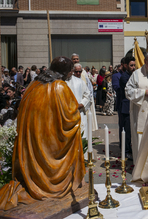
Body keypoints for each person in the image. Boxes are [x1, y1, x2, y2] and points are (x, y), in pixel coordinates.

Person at [0, 57, 85, 210]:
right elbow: (70, 117)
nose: (71, 74)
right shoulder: (59, 86)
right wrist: (77, 108)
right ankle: (52, 184)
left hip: (32, 140)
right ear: (65, 72)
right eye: (70, 71)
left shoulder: (34, 84)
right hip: (50, 141)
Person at [125, 52, 148, 163]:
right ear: (145, 61)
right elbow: (128, 91)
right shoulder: (136, 74)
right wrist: (143, 92)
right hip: (140, 112)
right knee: (140, 138)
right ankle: (140, 165)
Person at [71, 54, 98, 131]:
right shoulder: (69, 75)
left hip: (83, 103)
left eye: (77, 59)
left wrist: (84, 102)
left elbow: (88, 88)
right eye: (74, 59)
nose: (76, 60)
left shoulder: (84, 73)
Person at [66, 63, 92, 137]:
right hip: (65, 114)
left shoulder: (80, 82)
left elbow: (87, 95)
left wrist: (81, 104)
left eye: (79, 71)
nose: (77, 73)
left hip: (79, 112)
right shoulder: (60, 82)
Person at [119, 57, 136, 160]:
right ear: (126, 66)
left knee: (130, 130)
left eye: (134, 65)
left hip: (132, 106)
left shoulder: (132, 75)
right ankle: (125, 151)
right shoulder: (124, 77)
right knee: (125, 130)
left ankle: (129, 149)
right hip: (125, 107)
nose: (133, 67)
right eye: (131, 65)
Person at [112, 58, 125, 149]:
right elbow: (117, 88)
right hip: (122, 103)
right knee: (123, 127)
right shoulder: (116, 76)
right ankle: (123, 146)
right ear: (123, 65)